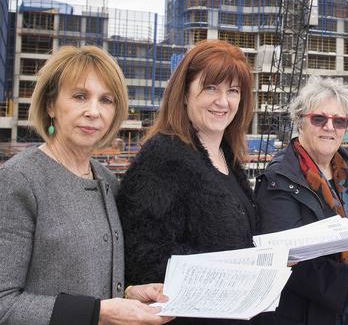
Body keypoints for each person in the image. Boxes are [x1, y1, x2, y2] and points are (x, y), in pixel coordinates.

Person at [0, 46, 172, 325]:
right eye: (80, 96)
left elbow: (89, 278)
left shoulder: (106, 180)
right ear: (50, 105)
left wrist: (128, 293)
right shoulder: (19, 181)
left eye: (106, 100)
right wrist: (99, 314)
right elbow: (4, 304)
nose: (94, 111)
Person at [117, 40, 258, 325]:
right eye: (211, 88)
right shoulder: (163, 157)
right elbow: (144, 258)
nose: (223, 101)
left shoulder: (226, 157)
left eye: (233, 91)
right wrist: (233, 271)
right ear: (184, 94)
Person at [254, 77, 348, 325]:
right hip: (307, 314)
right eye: (319, 119)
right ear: (299, 122)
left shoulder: (347, 169)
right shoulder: (280, 179)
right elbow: (280, 260)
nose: (330, 127)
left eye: (339, 121)